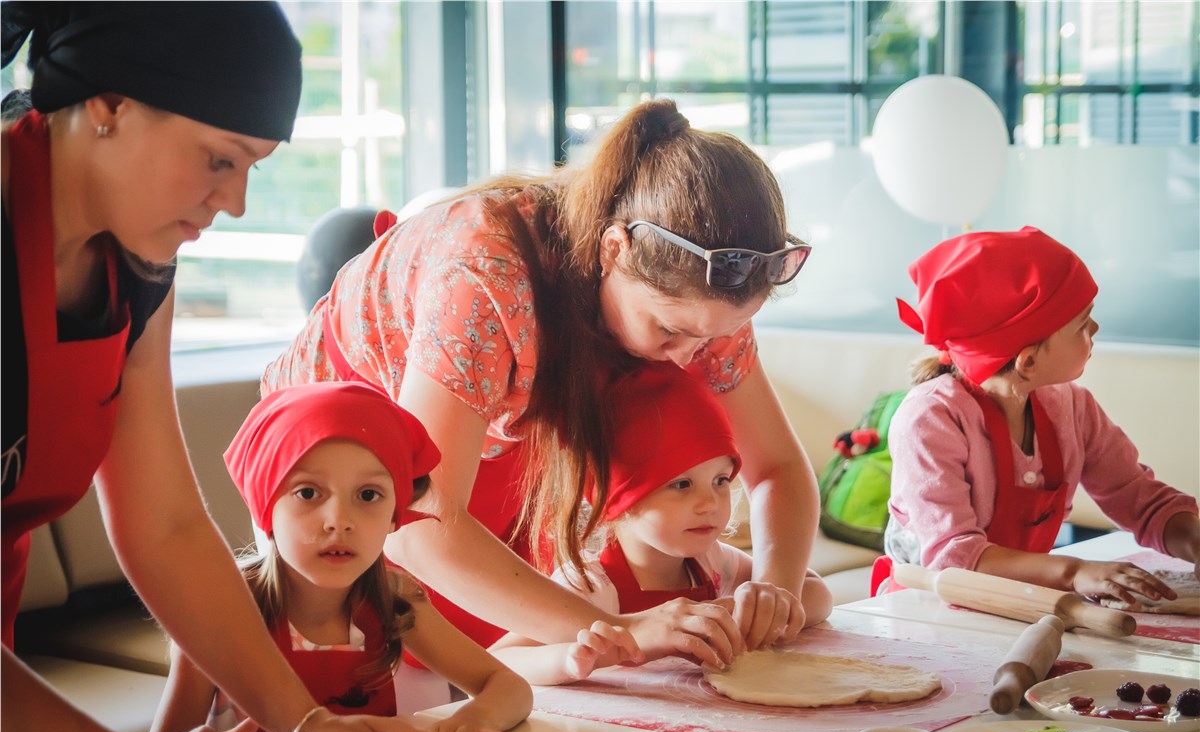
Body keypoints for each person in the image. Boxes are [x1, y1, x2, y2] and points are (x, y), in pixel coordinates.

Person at [0, 4, 486, 732]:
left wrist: (306, 726)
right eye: (219, 160)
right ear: (109, 105)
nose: (237, 204)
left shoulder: (137, 270)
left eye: (253, 167)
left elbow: (164, 528)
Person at [263, 98, 824, 671]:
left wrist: (775, 587)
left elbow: (776, 466)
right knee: (381, 670)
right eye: (669, 330)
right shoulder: (486, 274)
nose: (688, 360)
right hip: (339, 445)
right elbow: (420, 526)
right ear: (613, 250)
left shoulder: (709, 297)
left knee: (523, 667)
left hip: (491, 437)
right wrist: (622, 629)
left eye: (710, 338)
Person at [149, 382, 532, 732]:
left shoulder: (395, 600)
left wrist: (474, 715)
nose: (339, 521)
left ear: (393, 517)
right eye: (308, 493)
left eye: (368, 495)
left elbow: (510, 688)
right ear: (265, 508)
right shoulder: (217, 613)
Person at [879, 226, 1200, 597]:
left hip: (1023, 607)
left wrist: (1193, 541)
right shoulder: (929, 420)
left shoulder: (1073, 408)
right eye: (1083, 322)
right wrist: (1074, 572)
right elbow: (955, 557)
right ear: (1028, 361)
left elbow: (1140, 500)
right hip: (924, 615)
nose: (1095, 328)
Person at [490, 362, 833, 685]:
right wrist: (568, 659)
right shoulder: (591, 587)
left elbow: (817, 594)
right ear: (617, 500)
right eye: (681, 485)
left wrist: (756, 603)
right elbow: (499, 660)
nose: (710, 503)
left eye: (721, 480)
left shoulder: (711, 564)